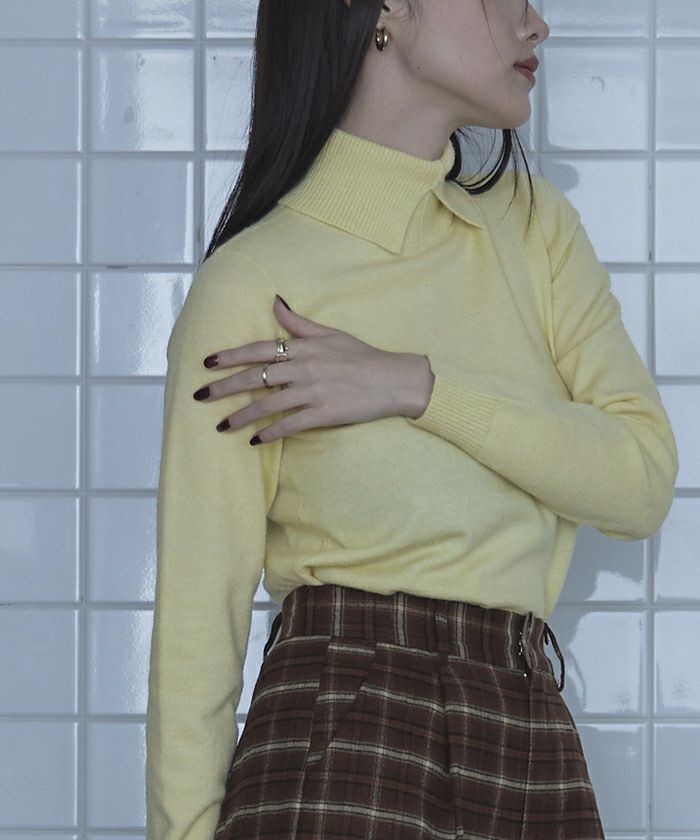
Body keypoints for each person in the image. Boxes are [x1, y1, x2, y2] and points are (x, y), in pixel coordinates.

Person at [145, 1, 679, 838]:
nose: (536, 24)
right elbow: (195, 626)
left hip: (526, 737)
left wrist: (417, 387)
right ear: (388, 8)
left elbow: (640, 483)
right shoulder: (253, 285)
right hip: (338, 734)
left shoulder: (535, 232)